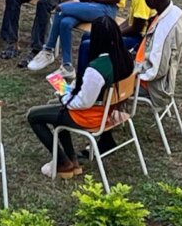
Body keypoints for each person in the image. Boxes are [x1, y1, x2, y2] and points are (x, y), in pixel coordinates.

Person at [26, 16, 134, 179]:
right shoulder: (125, 58)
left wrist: (64, 97)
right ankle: (73, 161)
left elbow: (83, 102)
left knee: (33, 115)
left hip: (90, 117)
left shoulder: (96, 69)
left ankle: (62, 162)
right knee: (54, 108)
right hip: (108, 111)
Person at [75, 0, 153, 75]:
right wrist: (115, 30)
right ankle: (90, 75)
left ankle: (83, 82)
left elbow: (137, 27)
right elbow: (132, 20)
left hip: (138, 41)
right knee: (88, 36)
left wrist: (114, 35)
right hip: (134, 34)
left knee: (87, 45)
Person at [134, 0, 182, 112]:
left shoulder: (163, 32)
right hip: (156, 72)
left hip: (153, 86)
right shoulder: (178, 13)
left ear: (151, 0)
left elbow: (156, 70)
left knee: (110, 82)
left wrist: (133, 76)